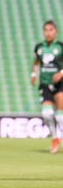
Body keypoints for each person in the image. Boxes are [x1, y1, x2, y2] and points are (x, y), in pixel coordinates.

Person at [31, 20, 63, 154]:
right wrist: (33, 74)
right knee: (47, 114)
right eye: (46, 30)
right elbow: (35, 61)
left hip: (60, 83)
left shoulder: (60, 46)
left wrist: (61, 73)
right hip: (44, 83)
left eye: (51, 30)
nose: (48, 33)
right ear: (43, 32)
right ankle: (54, 137)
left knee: (60, 116)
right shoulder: (39, 47)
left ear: (55, 31)